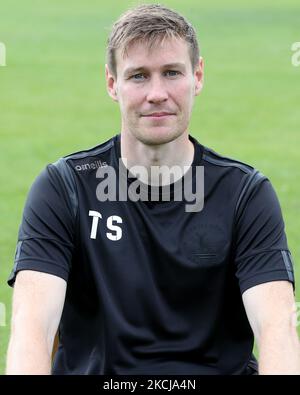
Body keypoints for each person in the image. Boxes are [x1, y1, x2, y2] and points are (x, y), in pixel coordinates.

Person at [6, 4, 300, 375]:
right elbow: (31, 328)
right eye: (139, 76)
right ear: (112, 84)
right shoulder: (64, 188)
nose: (157, 93)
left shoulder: (244, 194)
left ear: (198, 75)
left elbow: (278, 328)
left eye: (172, 72)